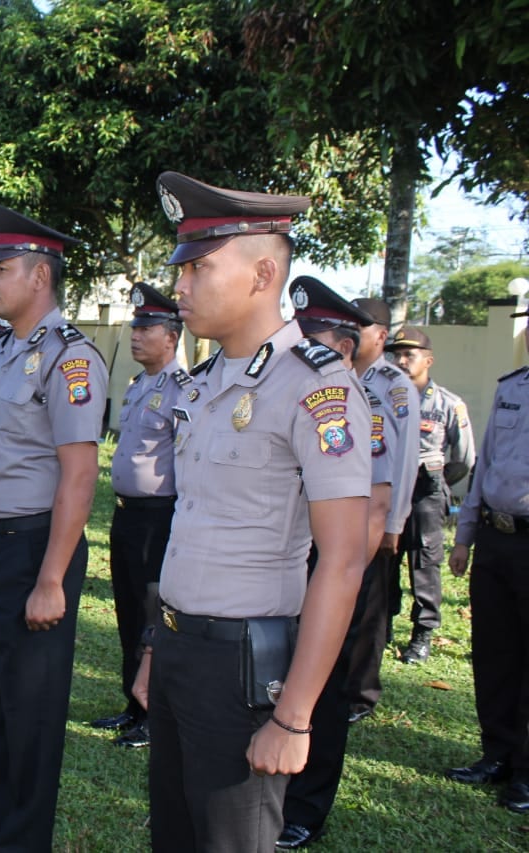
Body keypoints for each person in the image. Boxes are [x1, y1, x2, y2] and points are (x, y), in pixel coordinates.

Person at [132, 172, 371, 852]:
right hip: (181, 648)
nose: (180, 287)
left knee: (230, 840)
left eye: (200, 268)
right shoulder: (205, 382)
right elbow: (192, 524)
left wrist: (294, 716)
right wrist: (158, 644)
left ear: (264, 273)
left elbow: (344, 559)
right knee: (175, 834)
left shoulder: (317, 385)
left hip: (243, 665)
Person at [0, 206, 106, 853]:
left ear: (40, 275)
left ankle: (23, 842)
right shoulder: (5, 350)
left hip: (34, 550)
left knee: (32, 713)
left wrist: (53, 578)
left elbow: (80, 476)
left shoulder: (71, 358)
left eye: (1, 269)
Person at [277, 275, 394, 850]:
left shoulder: (364, 409)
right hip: (290, 558)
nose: (300, 349)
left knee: (322, 691)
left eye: (313, 339)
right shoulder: (294, 396)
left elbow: (375, 509)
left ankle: (307, 806)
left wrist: (343, 580)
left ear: (344, 347)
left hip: (336, 564)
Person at [89, 281, 184, 750]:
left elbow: (184, 462)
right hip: (126, 515)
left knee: (153, 613)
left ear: (171, 336)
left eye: (146, 327)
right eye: (135, 325)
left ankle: (155, 713)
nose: (135, 333)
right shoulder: (139, 384)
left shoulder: (183, 388)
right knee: (129, 610)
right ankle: (133, 702)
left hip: (160, 518)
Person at [445, 303, 529, 814]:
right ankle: (496, 752)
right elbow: (485, 466)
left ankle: (526, 771)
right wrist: (465, 536)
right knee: (495, 652)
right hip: (498, 540)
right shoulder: (511, 387)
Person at [345, 298, 420, 722]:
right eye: (348, 326)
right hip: (337, 508)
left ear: (381, 335)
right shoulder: (337, 375)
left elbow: (406, 456)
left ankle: (361, 694)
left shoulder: (393, 385)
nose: (353, 334)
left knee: (370, 606)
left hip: (377, 512)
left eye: (363, 327)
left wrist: (395, 523)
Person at [383, 325, 475, 664]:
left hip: (426, 491)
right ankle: (384, 627)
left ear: (428, 360)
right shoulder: (383, 397)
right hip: (389, 490)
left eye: (410, 355)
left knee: (424, 563)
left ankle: (422, 635)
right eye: (397, 354)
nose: (402, 361)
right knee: (384, 559)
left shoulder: (448, 404)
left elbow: (464, 459)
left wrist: (437, 482)